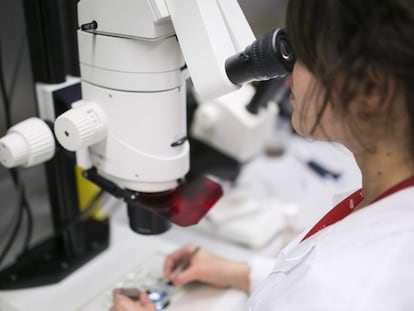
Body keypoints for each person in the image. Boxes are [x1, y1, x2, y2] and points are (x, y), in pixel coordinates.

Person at [111, 0, 414, 310]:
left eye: (306, 54)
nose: (289, 72)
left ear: (372, 90)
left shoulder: (348, 289)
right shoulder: (389, 196)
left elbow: (329, 291)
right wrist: (239, 273)